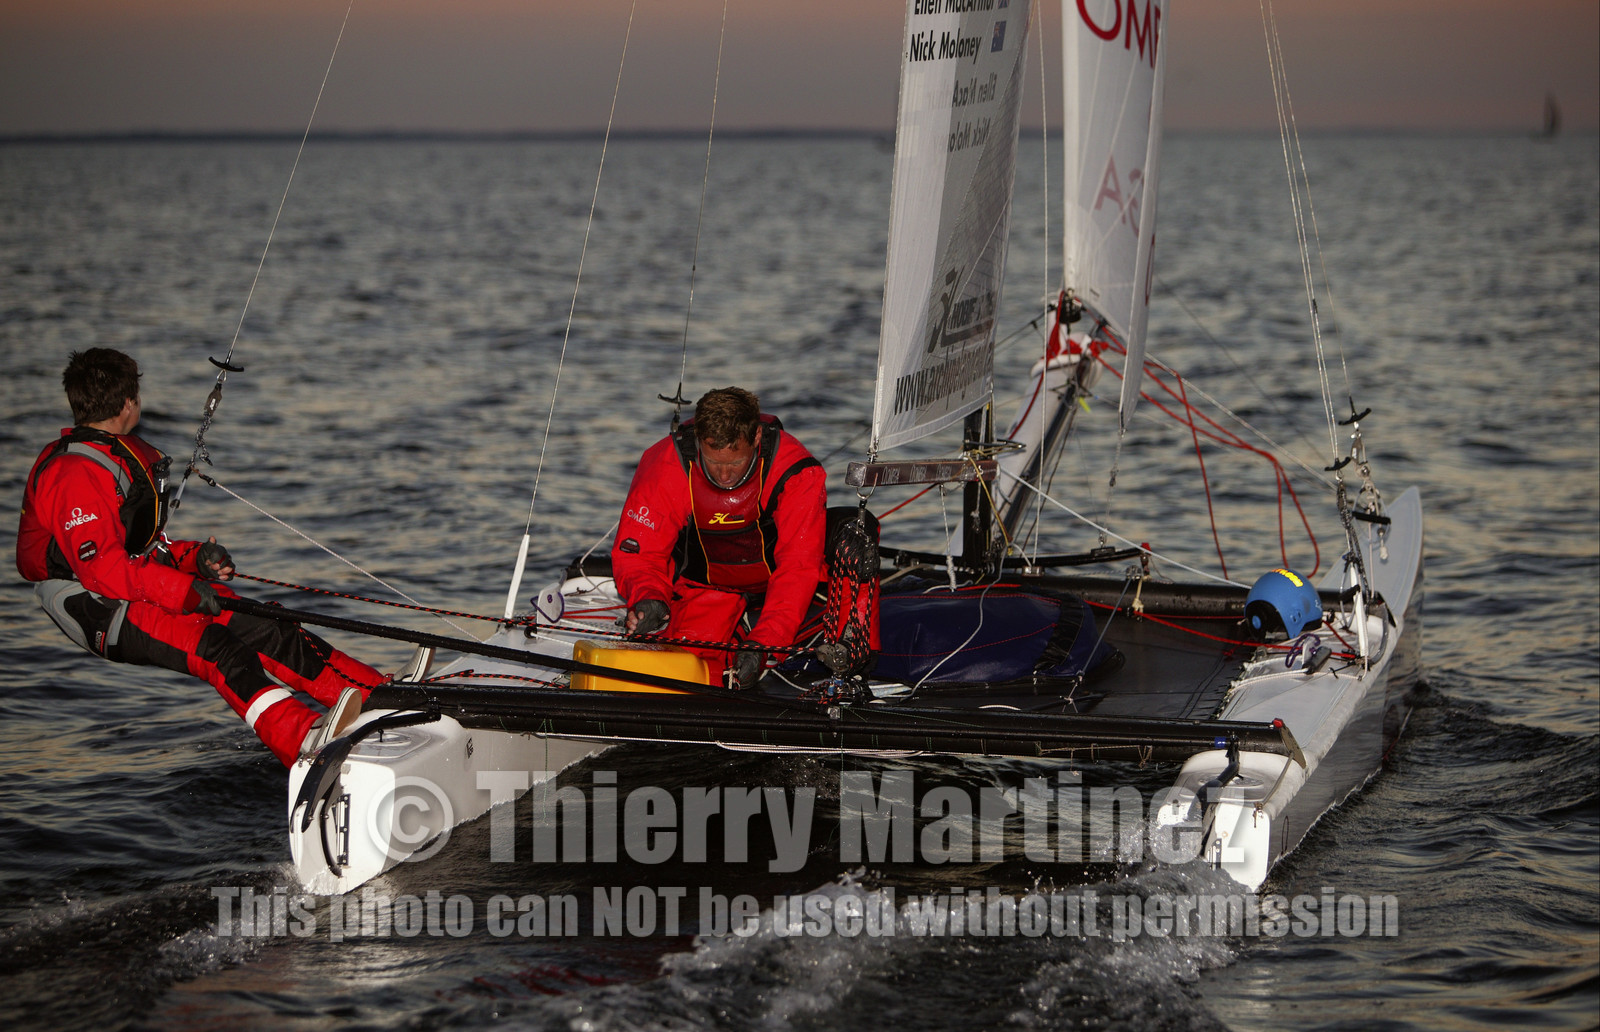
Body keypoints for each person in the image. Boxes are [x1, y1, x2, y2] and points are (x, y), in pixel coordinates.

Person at [16, 348, 382, 766]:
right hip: (93, 604)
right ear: (128, 403)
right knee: (217, 648)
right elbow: (104, 570)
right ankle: (303, 739)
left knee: (267, 627)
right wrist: (184, 591)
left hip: (130, 585)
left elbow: (141, 548)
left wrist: (195, 560)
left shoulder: (116, 454)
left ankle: (375, 695)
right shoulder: (73, 474)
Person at [612, 387, 826, 688]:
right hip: (706, 589)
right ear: (699, 441)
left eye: (735, 463)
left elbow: (798, 568)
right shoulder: (667, 463)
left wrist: (766, 643)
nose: (724, 475)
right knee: (682, 672)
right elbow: (639, 554)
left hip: (777, 591)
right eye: (714, 462)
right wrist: (649, 597)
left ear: (756, 438)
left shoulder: (796, 472)